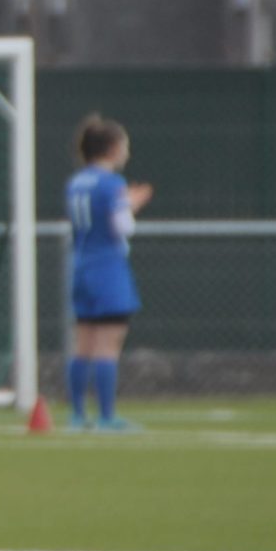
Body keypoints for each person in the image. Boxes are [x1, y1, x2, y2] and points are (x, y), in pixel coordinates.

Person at [66, 114, 152, 432]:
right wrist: (131, 205)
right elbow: (122, 227)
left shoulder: (76, 182)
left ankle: (77, 415)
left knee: (83, 344)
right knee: (108, 345)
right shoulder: (111, 183)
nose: (127, 152)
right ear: (113, 148)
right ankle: (106, 416)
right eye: (124, 145)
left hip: (81, 266)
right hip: (107, 268)